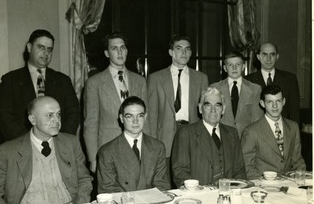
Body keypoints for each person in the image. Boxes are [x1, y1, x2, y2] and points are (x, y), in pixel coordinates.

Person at [0, 96, 93, 204]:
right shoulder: (6, 152)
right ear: (32, 119)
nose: (56, 120)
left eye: (58, 114)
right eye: (50, 115)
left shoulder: (71, 143)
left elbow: (84, 180)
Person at [0, 29, 80, 142]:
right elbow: (5, 118)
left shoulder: (63, 80)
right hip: (21, 146)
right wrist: (30, 143)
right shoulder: (10, 80)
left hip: (57, 146)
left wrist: (58, 142)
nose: (46, 53)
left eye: (50, 49)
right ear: (29, 47)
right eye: (41, 47)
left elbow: (73, 114)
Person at [147, 34, 208, 185]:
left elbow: (206, 113)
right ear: (171, 52)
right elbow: (151, 115)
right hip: (164, 136)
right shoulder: (156, 78)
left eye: (187, 49)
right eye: (179, 49)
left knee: (191, 180)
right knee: (165, 181)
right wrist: (152, 143)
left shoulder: (201, 78)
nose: (184, 53)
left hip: (192, 134)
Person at [83, 31, 148, 173]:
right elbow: (90, 123)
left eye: (122, 48)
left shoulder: (140, 81)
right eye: (114, 48)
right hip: (107, 148)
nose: (119, 52)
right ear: (107, 53)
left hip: (136, 147)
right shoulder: (94, 83)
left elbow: (145, 120)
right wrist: (93, 159)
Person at [171, 86, 246, 188]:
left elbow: (239, 171)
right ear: (200, 108)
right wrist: (197, 190)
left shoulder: (232, 133)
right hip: (198, 195)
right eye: (208, 105)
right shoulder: (186, 133)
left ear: (223, 109)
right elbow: (180, 172)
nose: (213, 110)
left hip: (228, 194)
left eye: (218, 106)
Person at [97, 96, 170, 193]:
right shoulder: (107, 151)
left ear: (145, 117)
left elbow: (161, 185)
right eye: (129, 116)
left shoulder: (158, 147)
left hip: (153, 203)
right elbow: (108, 190)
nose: (135, 121)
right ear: (122, 119)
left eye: (140, 115)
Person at [241, 85, 306, 180]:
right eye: (270, 102)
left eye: (278, 101)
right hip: (263, 186)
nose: (275, 106)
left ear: (283, 101)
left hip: (289, 184)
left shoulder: (293, 127)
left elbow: (298, 161)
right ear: (262, 103)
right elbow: (246, 167)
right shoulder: (251, 131)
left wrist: (301, 180)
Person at [245, 42, 300, 124]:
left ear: (277, 57)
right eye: (264, 54)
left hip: (283, 130)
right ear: (258, 57)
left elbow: (294, 112)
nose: (268, 58)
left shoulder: (289, 79)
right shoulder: (247, 81)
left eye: (272, 54)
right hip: (257, 131)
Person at [212, 51, 263, 137]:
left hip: (247, 138)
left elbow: (257, 120)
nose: (234, 68)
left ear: (243, 66)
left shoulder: (255, 89)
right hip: (222, 138)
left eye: (238, 64)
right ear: (225, 68)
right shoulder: (215, 88)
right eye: (230, 65)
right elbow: (211, 117)